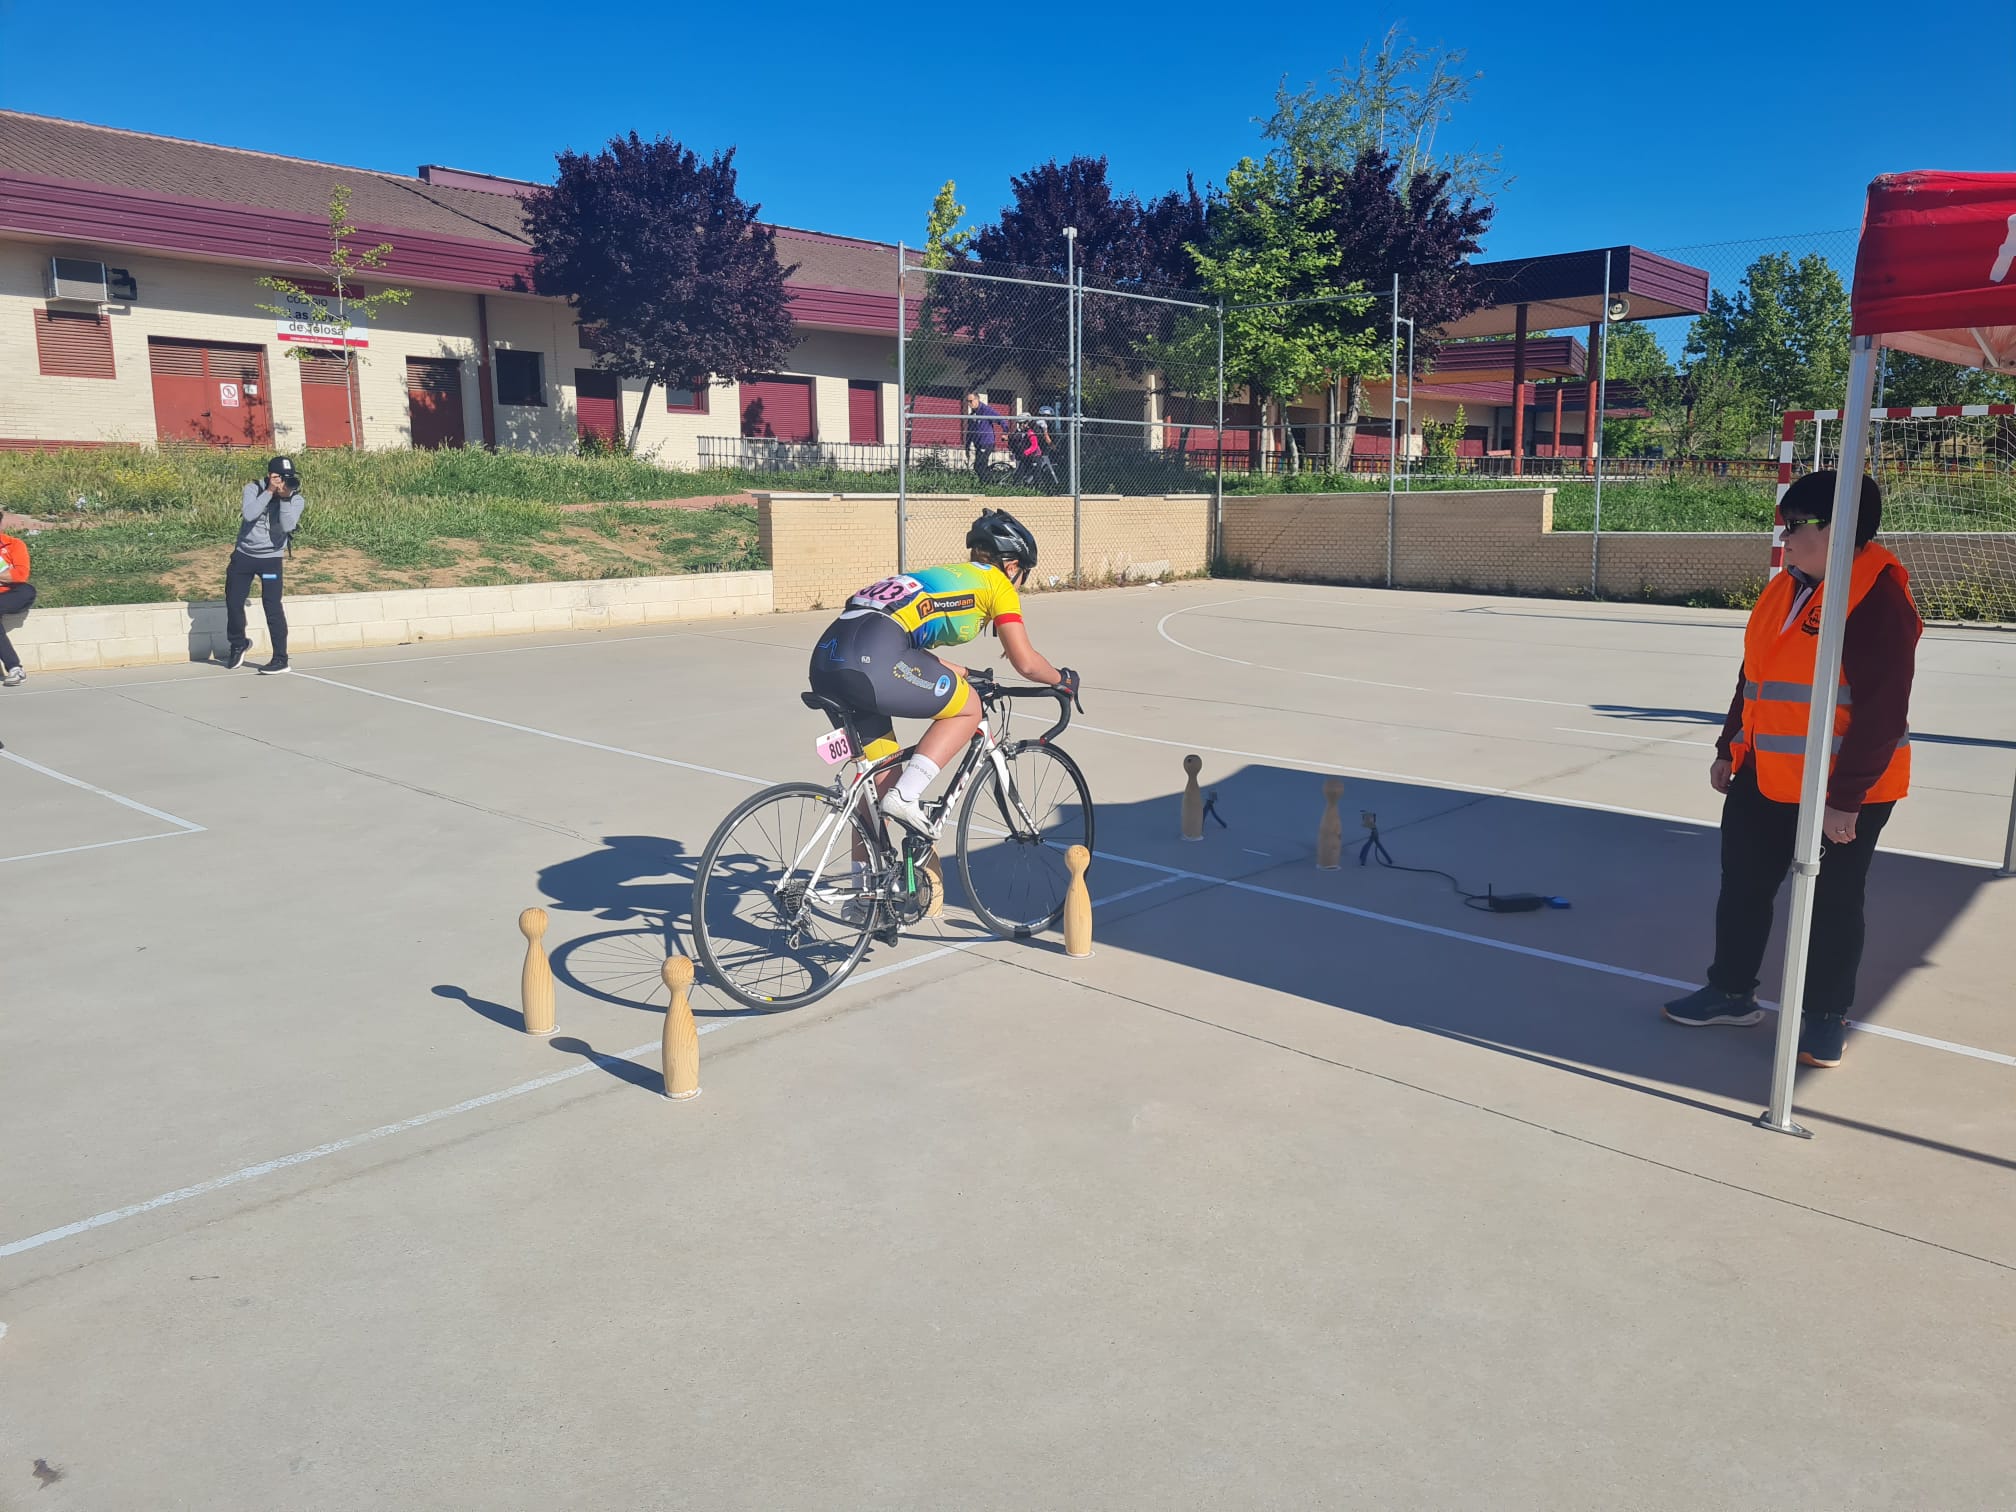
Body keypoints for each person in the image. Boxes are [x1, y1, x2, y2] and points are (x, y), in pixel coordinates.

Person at [1662, 471, 1920, 1068]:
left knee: (1832, 902)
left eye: (1796, 525)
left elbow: (1882, 715)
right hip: (1765, 776)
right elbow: (1754, 675)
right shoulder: (1788, 587)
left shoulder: (1877, 598)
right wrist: (1730, 746)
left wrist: (1846, 801)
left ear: (1839, 529)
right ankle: (1730, 992)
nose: (1785, 537)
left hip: (1841, 789)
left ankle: (1826, 1016)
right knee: (1744, 889)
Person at [807, 508, 1079, 834]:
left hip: (830, 658)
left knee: (880, 786)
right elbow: (1027, 663)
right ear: (1011, 566)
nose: (1020, 584)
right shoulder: (997, 584)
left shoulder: (946, 576)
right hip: (873, 658)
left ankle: (865, 882)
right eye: (1024, 574)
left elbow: (908, 652)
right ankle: (907, 797)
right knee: (968, 709)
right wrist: (1062, 680)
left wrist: (964, 673)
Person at [224, 456, 306, 674]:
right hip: (244, 555)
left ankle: (281, 658)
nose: (284, 483)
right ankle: (238, 643)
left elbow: (288, 525)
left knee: (272, 606)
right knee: (233, 602)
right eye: (280, 478)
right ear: (270, 475)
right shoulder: (253, 488)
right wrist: (269, 491)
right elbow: (249, 514)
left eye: (289, 478)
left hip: (271, 558)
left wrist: (285, 498)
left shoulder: (296, 499)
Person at [0, 525, 34, 687]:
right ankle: (15, 668)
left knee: (27, 590)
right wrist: (5, 576)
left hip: (14, 594)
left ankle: (15, 669)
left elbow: (20, 575)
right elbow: (10, 575)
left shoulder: (14, 544)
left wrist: (9, 577)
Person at [965, 392, 1005, 482]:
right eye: (967, 401)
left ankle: (989, 482)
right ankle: (986, 482)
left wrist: (1005, 432)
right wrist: (967, 446)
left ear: (977, 400)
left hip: (987, 443)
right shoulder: (972, 415)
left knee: (979, 465)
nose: (969, 404)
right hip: (978, 444)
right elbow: (969, 432)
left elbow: (1001, 420)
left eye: (971, 401)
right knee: (980, 466)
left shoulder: (986, 410)